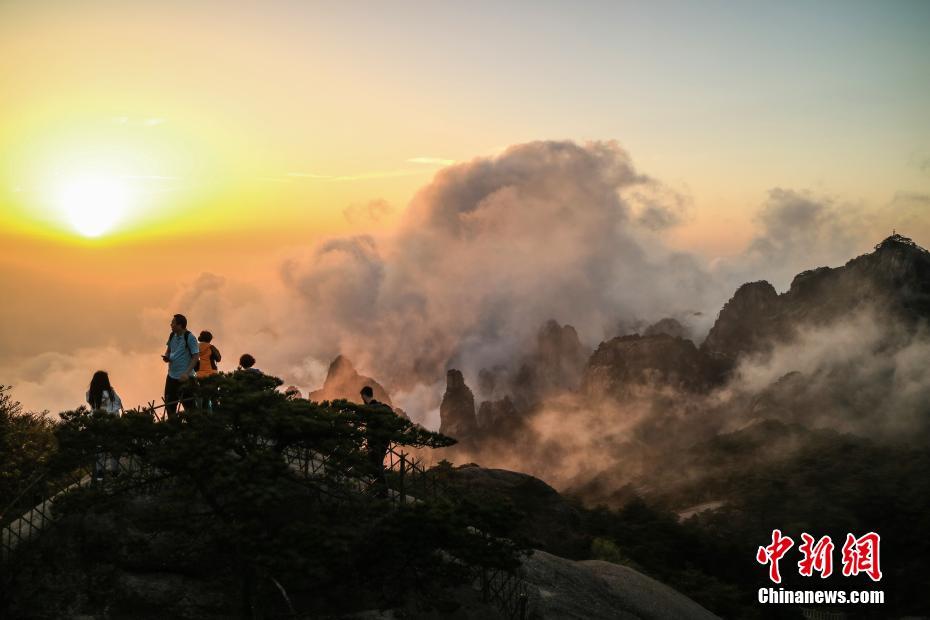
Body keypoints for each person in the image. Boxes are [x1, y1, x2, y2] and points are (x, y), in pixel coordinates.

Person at [86, 371, 123, 480]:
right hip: (112, 423)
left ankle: (99, 473)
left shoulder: (90, 393)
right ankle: (115, 471)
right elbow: (119, 403)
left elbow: (91, 405)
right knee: (114, 448)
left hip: (97, 423)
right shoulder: (110, 392)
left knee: (99, 449)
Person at [162, 314, 199, 417]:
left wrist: (186, 373)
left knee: (190, 407)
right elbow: (168, 350)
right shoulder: (172, 335)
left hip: (185, 377)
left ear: (180, 325)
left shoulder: (190, 337)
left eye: (173, 323)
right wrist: (166, 357)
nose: (171, 325)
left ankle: (193, 429)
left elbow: (195, 357)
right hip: (171, 376)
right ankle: (173, 428)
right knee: (170, 406)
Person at [360, 385, 394, 496]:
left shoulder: (371, 408)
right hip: (384, 441)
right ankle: (379, 490)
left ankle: (382, 492)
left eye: (362, 397)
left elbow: (371, 427)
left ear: (364, 396)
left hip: (375, 442)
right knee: (376, 464)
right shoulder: (382, 407)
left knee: (375, 465)